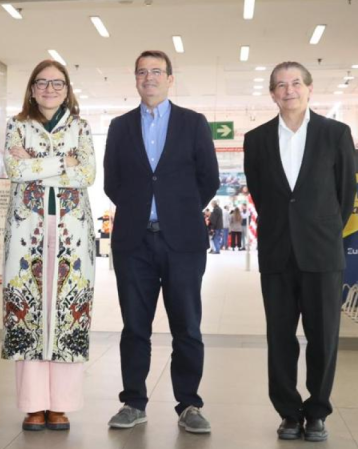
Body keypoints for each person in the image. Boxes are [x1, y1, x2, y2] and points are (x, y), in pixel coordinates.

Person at [104, 50, 219, 434]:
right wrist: (141, 211)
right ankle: (133, 402)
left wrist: (178, 211)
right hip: (133, 243)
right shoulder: (120, 127)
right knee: (135, 326)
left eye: (156, 71)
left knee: (187, 325)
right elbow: (111, 181)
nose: (149, 77)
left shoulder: (193, 123)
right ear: (135, 79)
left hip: (182, 242)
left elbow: (209, 178)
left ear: (171, 78)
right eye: (142, 72)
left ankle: (189, 404)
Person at [242, 61, 356, 443]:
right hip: (276, 252)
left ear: (309, 89)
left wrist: (321, 231)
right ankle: (289, 413)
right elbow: (260, 193)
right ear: (272, 94)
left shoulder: (335, 133)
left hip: (322, 252)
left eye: (295, 83)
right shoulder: (256, 139)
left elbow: (346, 194)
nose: (288, 90)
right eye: (280, 85)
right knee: (280, 337)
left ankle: (318, 411)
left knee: (323, 337)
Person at [1, 60, 96, 432]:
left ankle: (61, 405)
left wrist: (38, 162)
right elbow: (15, 170)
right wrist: (63, 161)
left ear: (67, 88)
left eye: (58, 83)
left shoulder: (81, 127)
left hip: (73, 233)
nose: (50, 89)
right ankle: (33, 404)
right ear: (32, 88)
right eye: (43, 83)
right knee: (26, 313)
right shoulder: (16, 125)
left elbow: (86, 175)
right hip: (28, 233)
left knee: (68, 313)